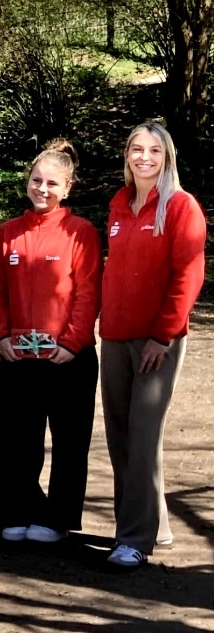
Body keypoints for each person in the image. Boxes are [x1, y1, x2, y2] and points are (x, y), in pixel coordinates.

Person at [99, 120, 207, 569]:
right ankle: (154, 521)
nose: (144, 157)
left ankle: (133, 539)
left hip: (158, 340)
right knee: (121, 435)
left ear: (167, 157)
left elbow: (188, 274)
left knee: (143, 435)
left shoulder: (181, 207)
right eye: (136, 149)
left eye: (154, 151)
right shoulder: (120, 202)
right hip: (115, 337)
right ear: (127, 155)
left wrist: (163, 335)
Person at [0, 140, 101, 545]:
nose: (43, 189)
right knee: (14, 435)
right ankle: (16, 511)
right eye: (37, 180)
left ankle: (57, 519)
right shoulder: (8, 233)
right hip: (17, 356)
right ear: (27, 182)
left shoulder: (81, 232)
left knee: (69, 441)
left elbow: (88, 292)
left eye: (53, 183)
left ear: (67, 188)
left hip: (69, 358)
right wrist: (0, 335)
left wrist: (72, 343)